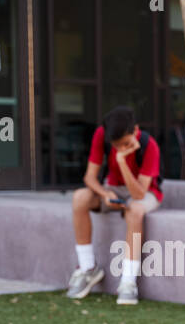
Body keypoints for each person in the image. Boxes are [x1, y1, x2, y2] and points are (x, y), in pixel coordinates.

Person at [67, 106, 163, 305]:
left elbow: (138, 194)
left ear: (135, 130)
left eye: (126, 144)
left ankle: (128, 282)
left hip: (146, 192)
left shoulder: (150, 146)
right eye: (116, 146)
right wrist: (105, 194)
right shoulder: (102, 135)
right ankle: (88, 268)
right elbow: (89, 177)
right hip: (113, 189)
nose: (121, 149)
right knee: (80, 198)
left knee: (135, 210)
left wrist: (122, 161)